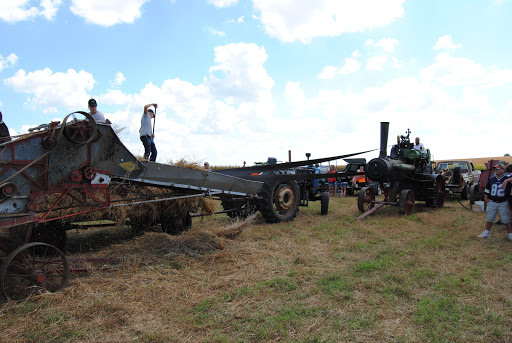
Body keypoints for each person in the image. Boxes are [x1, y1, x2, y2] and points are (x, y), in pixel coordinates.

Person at [478, 162, 512, 240]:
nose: (496, 170)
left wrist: (506, 181)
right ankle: (486, 232)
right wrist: (486, 198)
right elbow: (487, 189)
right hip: (492, 201)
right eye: (495, 169)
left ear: (503, 170)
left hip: (503, 202)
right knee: (489, 217)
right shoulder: (492, 179)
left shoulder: (507, 178)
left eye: (498, 169)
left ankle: (510, 234)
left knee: (505, 219)